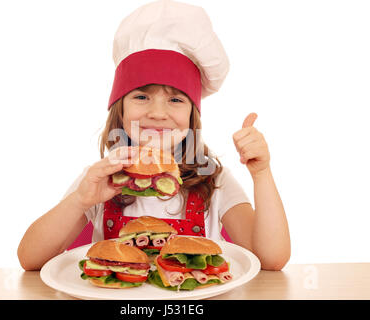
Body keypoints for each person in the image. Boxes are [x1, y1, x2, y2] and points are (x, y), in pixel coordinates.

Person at [17, 0, 290, 271]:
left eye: (175, 100)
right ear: (119, 110)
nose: (158, 113)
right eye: (141, 96)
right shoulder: (99, 178)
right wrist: (80, 200)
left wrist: (261, 173)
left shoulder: (214, 178)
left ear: (193, 115)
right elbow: (30, 259)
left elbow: (272, 259)